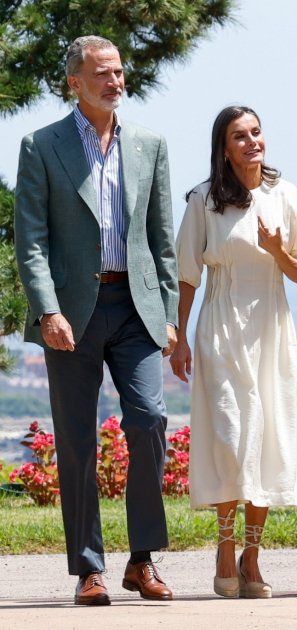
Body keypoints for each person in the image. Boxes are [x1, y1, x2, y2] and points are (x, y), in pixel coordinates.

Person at [14, 36, 178, 605]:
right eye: (101, 73)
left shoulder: (150, 144)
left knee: (150, 420)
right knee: (79, 441)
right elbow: (30, 242)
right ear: (75, 83)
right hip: (71, 315)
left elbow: (162, 240)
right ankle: (89, 568)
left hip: (136, 309)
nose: (115, 81)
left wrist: (170, 313)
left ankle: (142, 560)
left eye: (118, 71)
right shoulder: (40, 145)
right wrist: (48, 310)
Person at [170, 105, 297, 599]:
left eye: (257, 132)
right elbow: (188, 274)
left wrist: (277, 249)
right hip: (221, 325)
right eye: (241, 135)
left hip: (272, 328)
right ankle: (223, 545)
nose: (253, 141)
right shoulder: (204, 201)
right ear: (224, 147)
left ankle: (251, 555)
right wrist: (180, 335)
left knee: (265, 440)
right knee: (233, 436)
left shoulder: (286, 195)